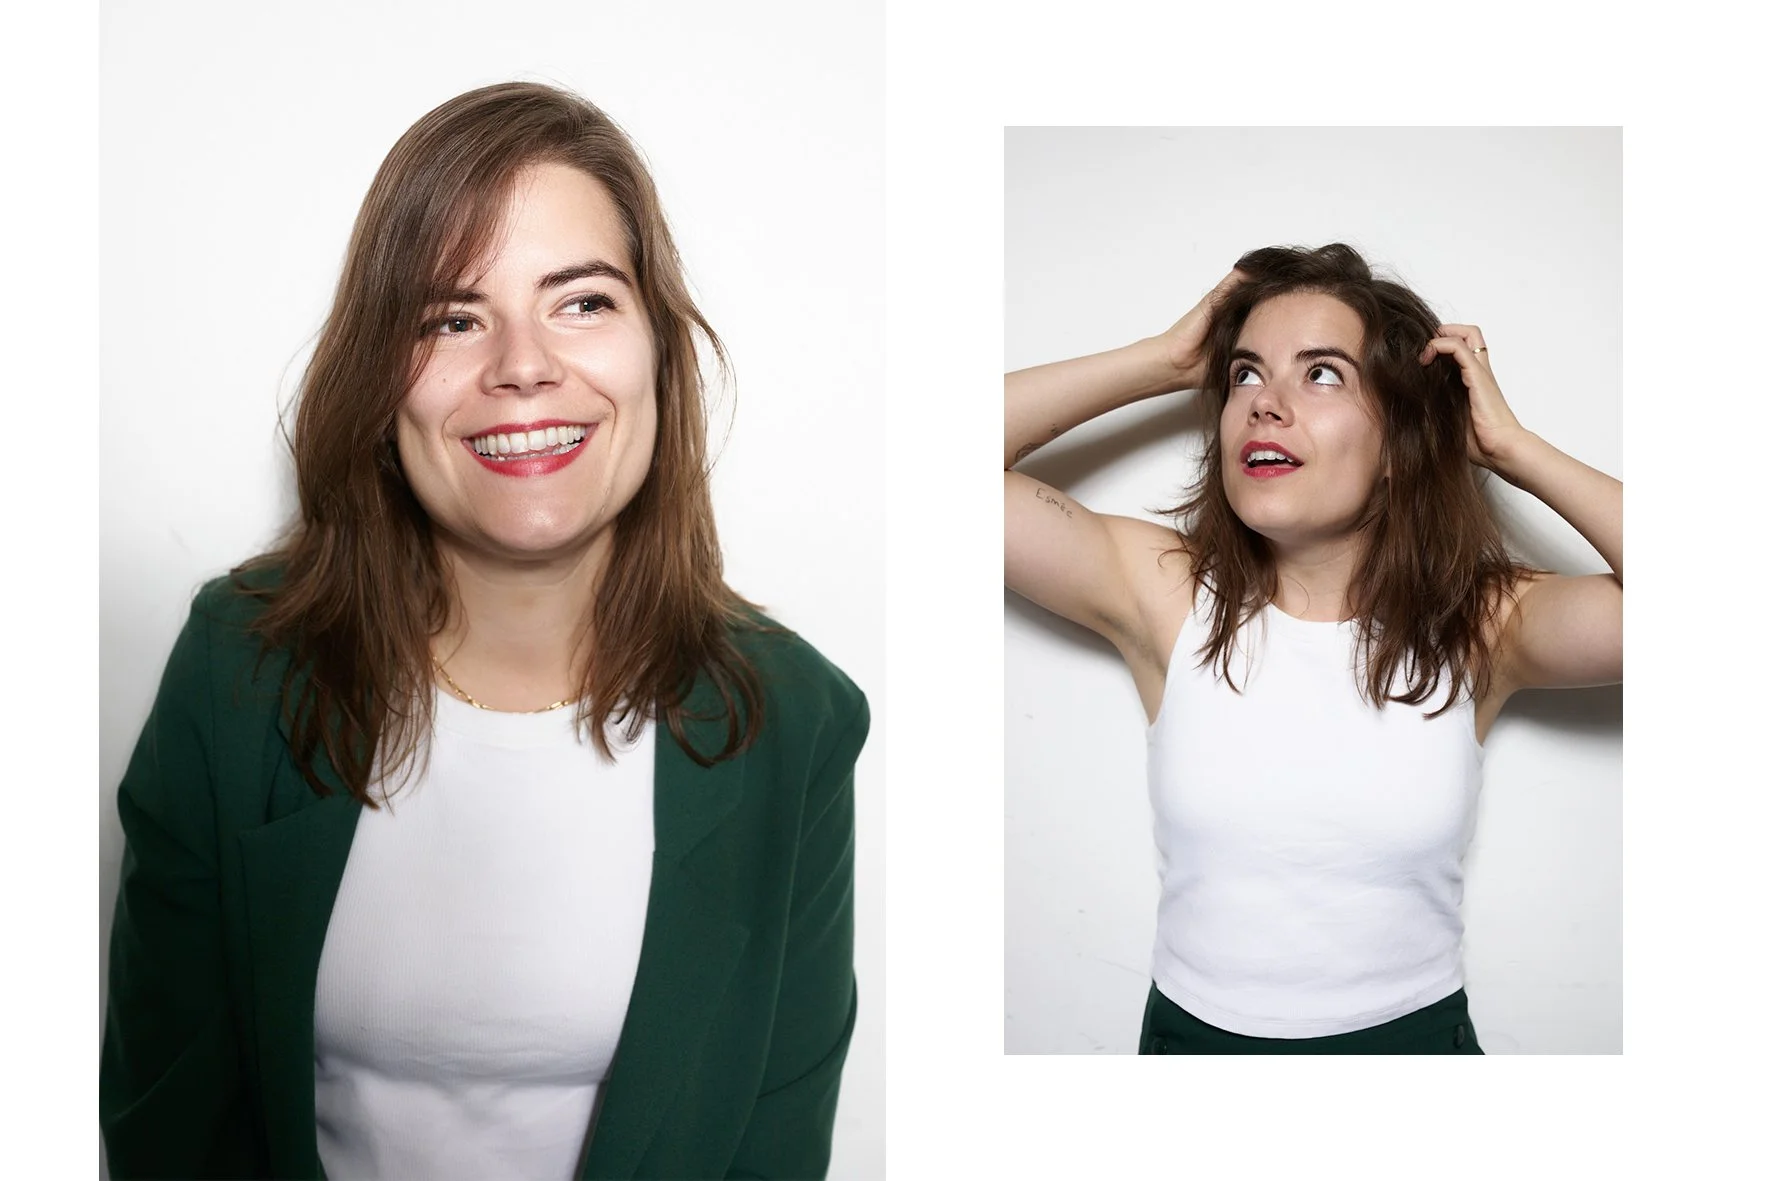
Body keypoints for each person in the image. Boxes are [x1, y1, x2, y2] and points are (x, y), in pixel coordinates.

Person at [101, 82, 868, 1177]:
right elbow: (166, 1125)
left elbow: (773, 1147)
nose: (520, 364)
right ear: (381, 377)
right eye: (453, 318)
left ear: (658, 348)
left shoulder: (792, 716)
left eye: (582, 300)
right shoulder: (237, 667)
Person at [1004, 243, 1621, 1054]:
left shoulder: (1480, 620)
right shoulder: (1167, 593)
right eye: (1246, 374)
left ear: (1399, 442)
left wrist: (1511, 447)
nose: (1266, 403)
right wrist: (1164, 360)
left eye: (1322, 373)